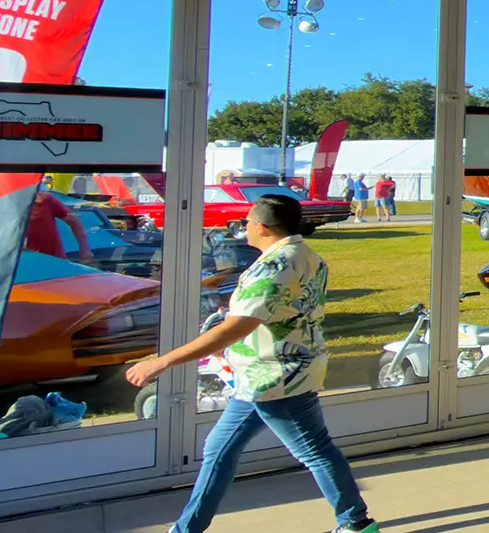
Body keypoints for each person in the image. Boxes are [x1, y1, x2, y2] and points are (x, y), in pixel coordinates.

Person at [127, 194, 378, 533]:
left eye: (246, 221)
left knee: (315, 451)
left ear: (260, 227)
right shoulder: (307, 256)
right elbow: (274, 317)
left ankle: (355, 523)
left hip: (277, 378)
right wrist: (233, 346)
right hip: (268, 375)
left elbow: (240, 325)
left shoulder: (274, 266)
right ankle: (186, 529)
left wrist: (164, 361)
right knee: (219, 450)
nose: (243, 226)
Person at [24, 190, 93, 262]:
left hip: (55, 263)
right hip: (24, 265)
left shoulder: (43, 199)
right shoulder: (12, 209)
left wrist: (85, 249)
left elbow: (74, 222)